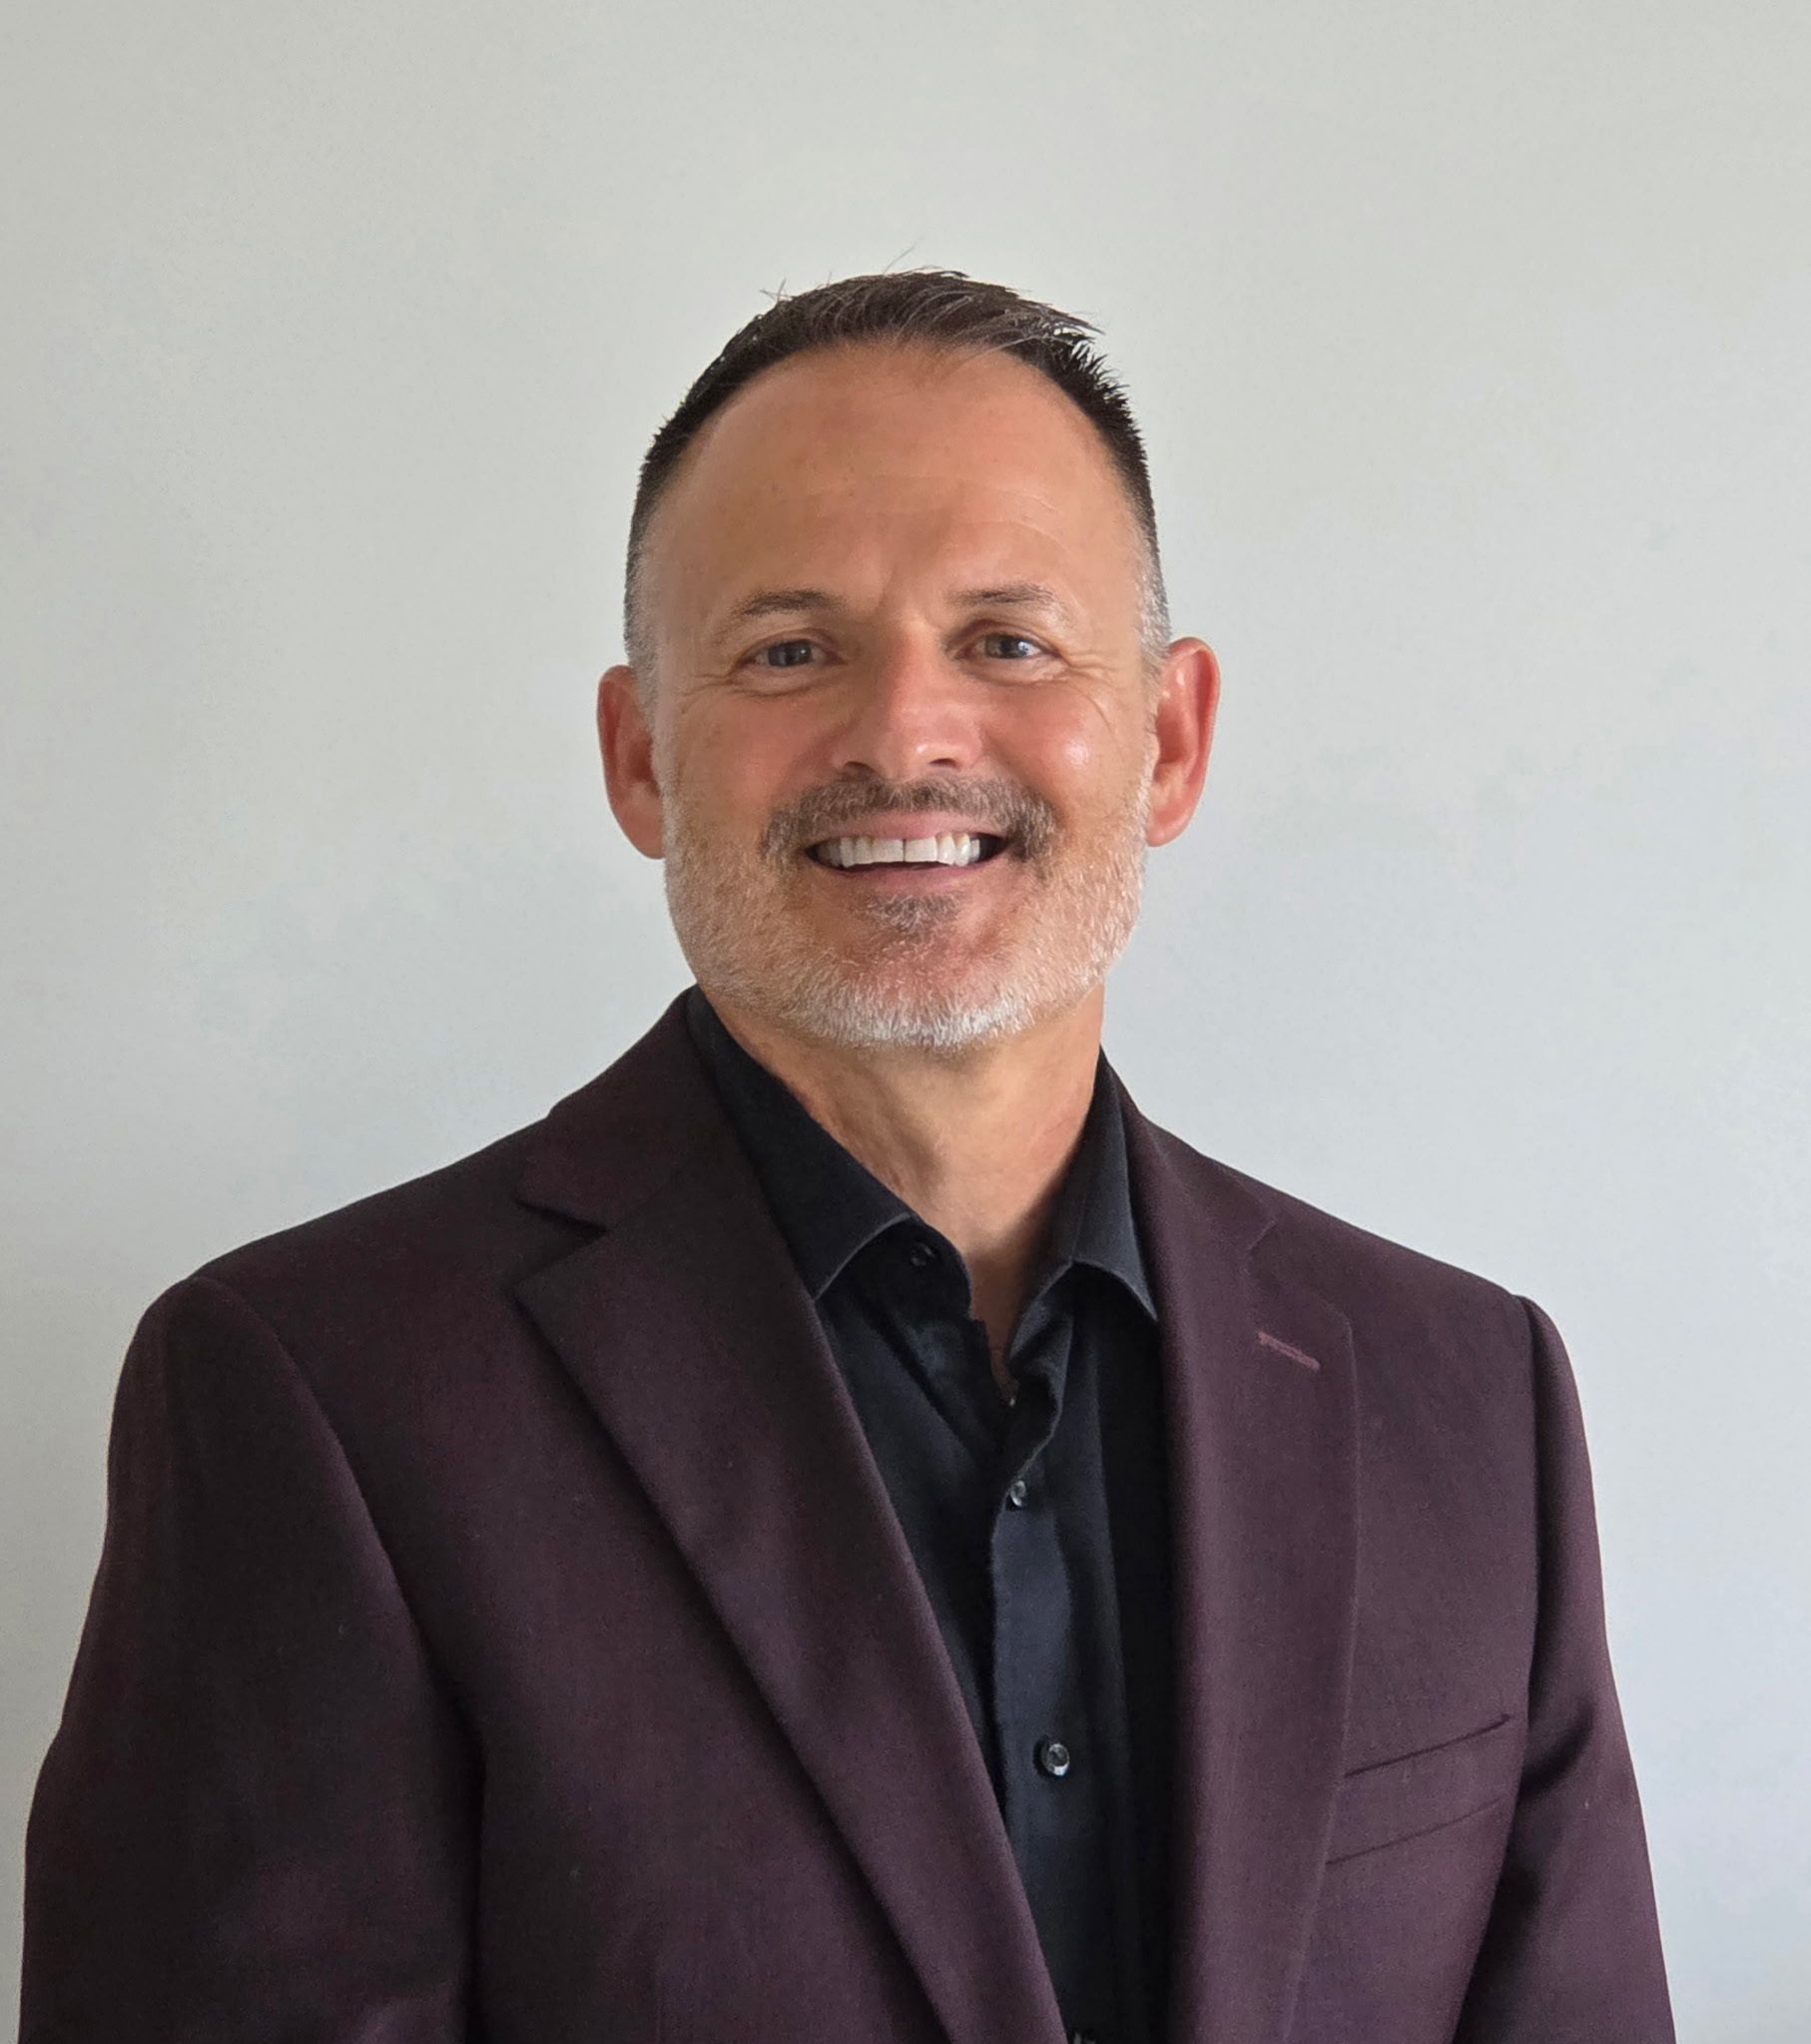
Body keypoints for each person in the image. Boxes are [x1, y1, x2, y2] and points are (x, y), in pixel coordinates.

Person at [20, 270, 1674, 2044]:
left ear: (1169, 739)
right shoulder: (319, 1392)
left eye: (1009, 641)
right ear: (640, 754)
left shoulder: (1459, 1391)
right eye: (789, 650)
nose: (904, 734)